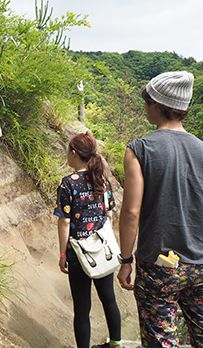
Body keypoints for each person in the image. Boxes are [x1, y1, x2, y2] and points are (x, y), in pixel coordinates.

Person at [117, 71, 203, 347]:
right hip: (200, 263)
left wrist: (126, 260)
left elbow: (131, 212)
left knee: (161, 340)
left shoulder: (140, 149)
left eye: (146, 102)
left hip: (158, 264)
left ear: (156, 105)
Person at [54, 132, 122, 348]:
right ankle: (117, 343)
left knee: (82, 307)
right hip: (103, 249)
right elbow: (109, 216)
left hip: (78, 253)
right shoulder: (102, 179)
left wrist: (63, 254)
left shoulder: (68, 183)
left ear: (74, 153)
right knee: (109, 298)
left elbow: (64, 222)